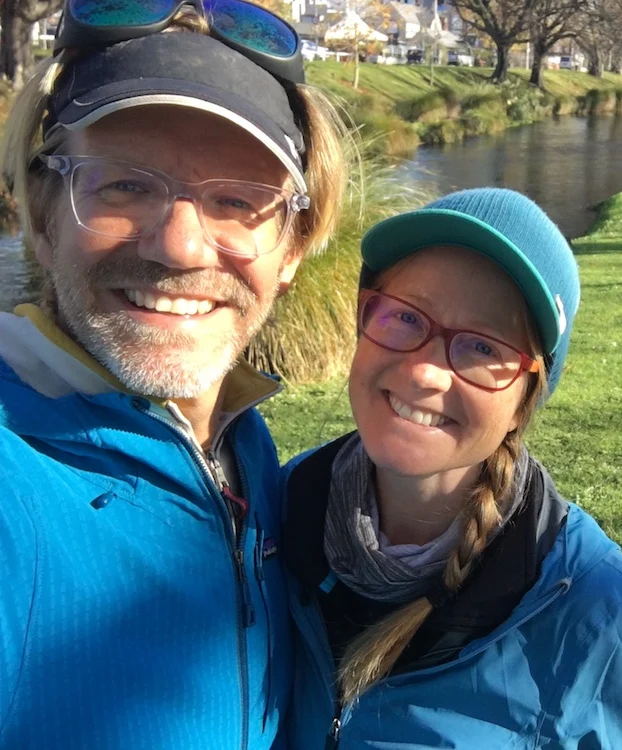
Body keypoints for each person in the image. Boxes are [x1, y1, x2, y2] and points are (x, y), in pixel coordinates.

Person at [0, 0, 348, 746]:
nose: (181, 246)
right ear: (39, 211)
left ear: (291, 249)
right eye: (123, 185)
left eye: (238, 201)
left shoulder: (244, 448)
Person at [282, 188, 622, 748]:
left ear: (524, 401)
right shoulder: (271, 512)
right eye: (406, 316)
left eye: (481, 347)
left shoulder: (604, 617)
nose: (426, 373)